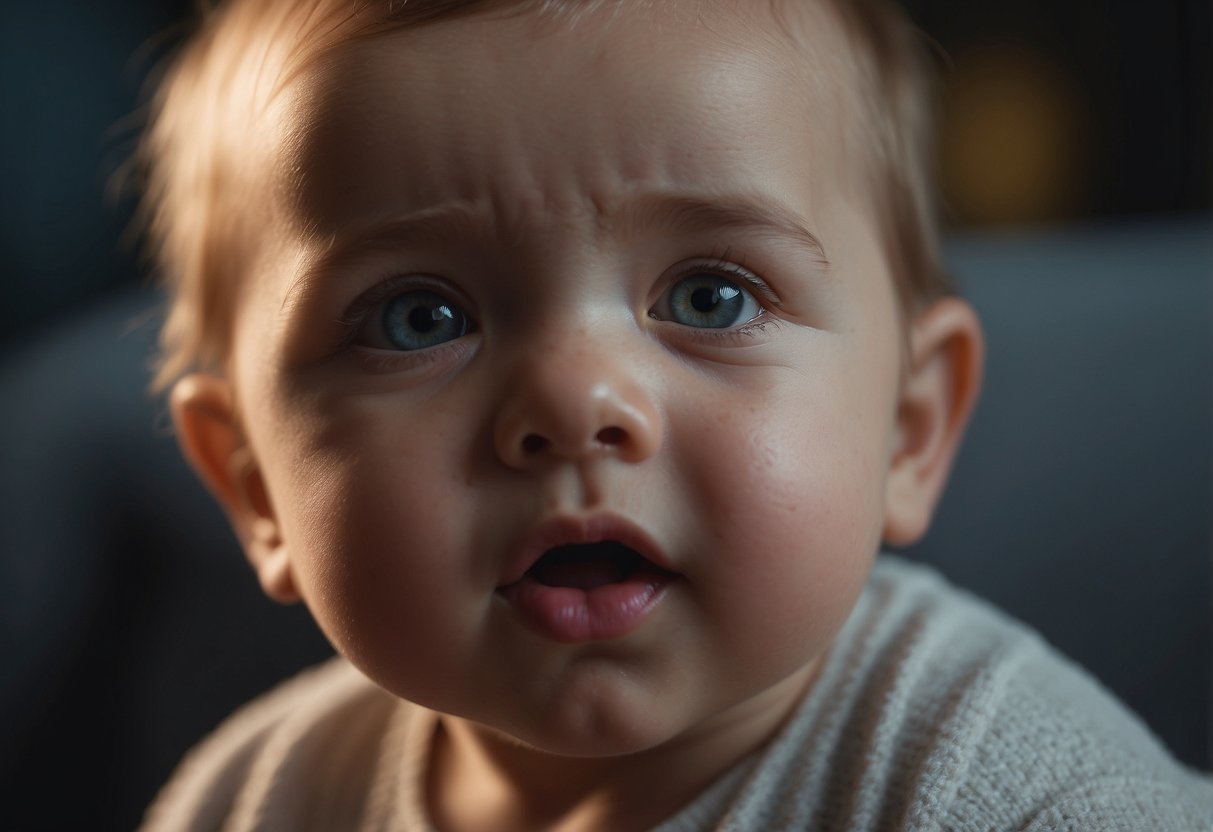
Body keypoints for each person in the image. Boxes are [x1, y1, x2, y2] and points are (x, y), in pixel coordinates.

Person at [136, 0, 1213, 829]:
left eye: (712, 297)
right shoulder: (254, 796)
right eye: (421, 317)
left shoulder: (1010, 788)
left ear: (909, 427)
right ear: (254, 484)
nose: (573, 399)